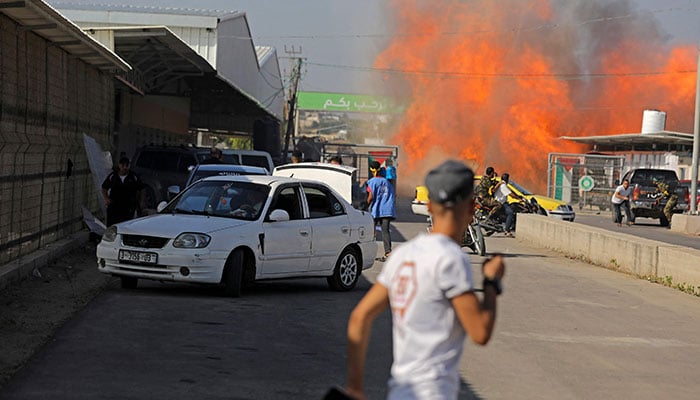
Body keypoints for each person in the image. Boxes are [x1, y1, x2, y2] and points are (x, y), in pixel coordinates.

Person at [345, 160, 505, 400]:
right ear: (471, 208)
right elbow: (480, 332)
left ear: (429, 206)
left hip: (399, 392)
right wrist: (492, 282)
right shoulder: (451, 259)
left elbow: (359, 317)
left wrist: (355, 387)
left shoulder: (402, 255)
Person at [366, 160, 396, 261]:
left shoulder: (372, 182)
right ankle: (388, 253)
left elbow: (370, 197)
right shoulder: (387, 181)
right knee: (385, 231)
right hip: (387, 210)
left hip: (377, 211)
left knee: (371, 231)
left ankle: (368, 254)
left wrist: (364, 206)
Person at [101, 156, 143, 226]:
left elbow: (142, 189)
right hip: (114, 206)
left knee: (126, 225)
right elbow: (104, 188)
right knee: (112, 226)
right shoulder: (113, 176)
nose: (125, 168)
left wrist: (142, 202)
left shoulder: (133, 177)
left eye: (127, 165)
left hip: (128, 206)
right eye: (123, 165)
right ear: (119, 165)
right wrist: (106, 199)